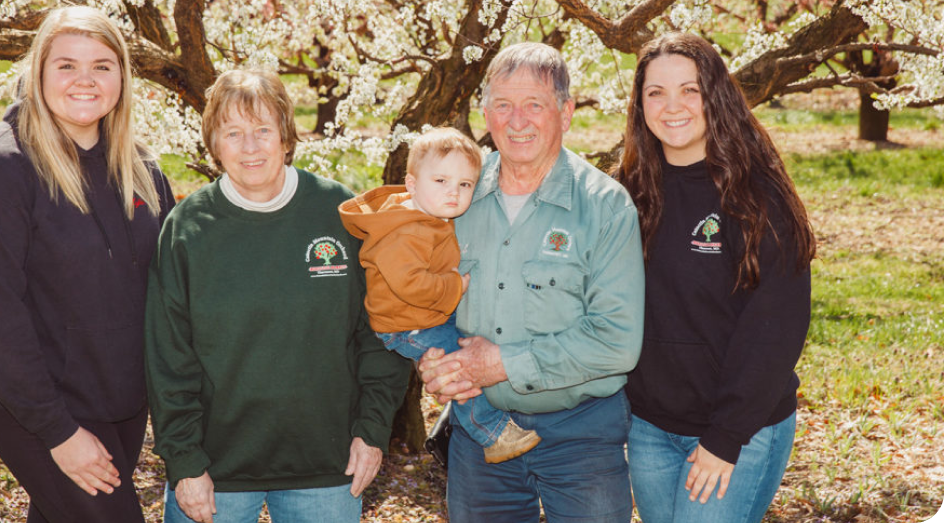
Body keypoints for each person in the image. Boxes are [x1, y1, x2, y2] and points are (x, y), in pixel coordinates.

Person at [144, 69, 411, 523]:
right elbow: (167, 358)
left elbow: (381, 329)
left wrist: (372, 430)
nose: (250, 146)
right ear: (214, 144)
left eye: (263, 130)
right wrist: (184, 460)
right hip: (215, 472)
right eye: (233, 133)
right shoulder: (187, 229)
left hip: (327, 468)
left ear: (286, 137)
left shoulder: (337, 213)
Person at [0, 5, 175, 523]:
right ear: (39, 72)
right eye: (66, 65)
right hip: (43, 410)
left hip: (123, 402)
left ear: (122, 76)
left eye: (102, 65)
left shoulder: (140, 167)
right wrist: (58, 432)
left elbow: (169, 285)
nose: (85, 80)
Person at [418, 42, 646, 522]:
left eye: (534, 105)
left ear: (566, 113)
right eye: (503, 105)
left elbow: (617, 341)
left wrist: (501, 363)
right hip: (480, 433)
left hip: (582, 435)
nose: (516, 121)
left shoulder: (605, 206)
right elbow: (421, 293)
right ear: (485, 113)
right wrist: (434, 360)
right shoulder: (454, 196)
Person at [614, 32, 816, 523]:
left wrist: (724, 438)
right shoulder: (627, 194)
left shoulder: (757, 197)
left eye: (690, 89)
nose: (672, 106)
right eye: (656, 92)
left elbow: (777, 328)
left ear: (716, 95)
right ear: (640, 105)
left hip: (738, 431)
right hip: (650, 427)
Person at [339, 127, 541, 464]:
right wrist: (454, 286)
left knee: (475, 344)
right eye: (441, 181)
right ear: (412, 184)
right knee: (458, 364)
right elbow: (409, 284)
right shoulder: (404, 230)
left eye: (465, 185)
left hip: (424, 313)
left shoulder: (428, 216)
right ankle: (491, 433)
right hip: (406, 323)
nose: (453, 192)